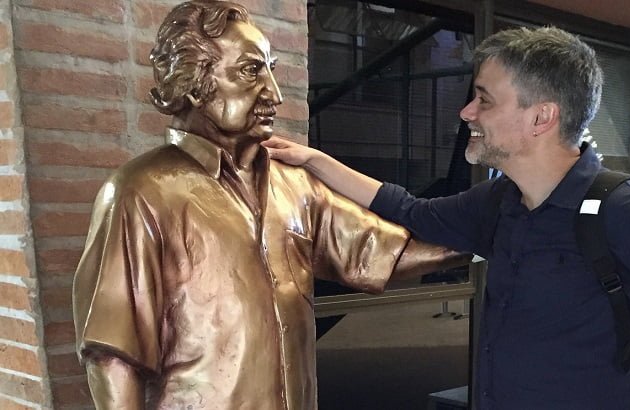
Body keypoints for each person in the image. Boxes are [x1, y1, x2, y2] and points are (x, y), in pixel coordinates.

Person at [264, 26, 630, 409]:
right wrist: (315, 161)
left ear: (541, 117)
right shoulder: (501, 202)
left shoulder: (623, 211)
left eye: (484, 100)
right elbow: (410, 210)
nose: (467, 112)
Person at [72, 2, 468, 408]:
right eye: (250, 71)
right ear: (193, 83)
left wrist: (486, 232)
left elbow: (377, 250)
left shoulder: (293, 184)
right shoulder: (142, 192)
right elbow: (113, 355)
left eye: (270, 70)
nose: (274, 95)